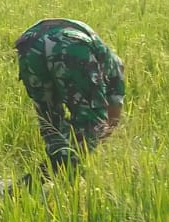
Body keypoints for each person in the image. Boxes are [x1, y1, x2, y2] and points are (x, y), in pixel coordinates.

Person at [14, 18, 124, 176]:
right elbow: (111, 118)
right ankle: (65, 177)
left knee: (50, 122)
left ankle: (36, 182)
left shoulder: (103, 56)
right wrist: (91, 143)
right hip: (70, 45)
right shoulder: (115, 67)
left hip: (30, 45)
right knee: (91, 124)